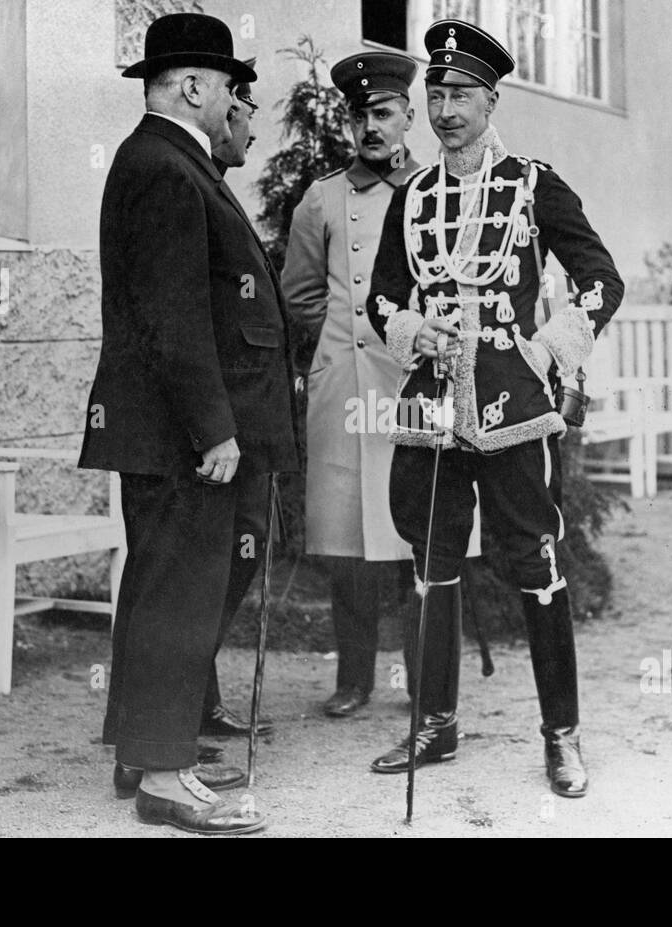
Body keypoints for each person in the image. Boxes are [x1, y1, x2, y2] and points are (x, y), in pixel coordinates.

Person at [365, 19, 624, 798]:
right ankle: (437, 723)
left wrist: (545, 352)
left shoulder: (533, 183)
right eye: (435, 94)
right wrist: (412, 327)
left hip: (512, 401)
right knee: (428, 558)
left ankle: (562, 736)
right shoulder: (410, 196)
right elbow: (380, 295)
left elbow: (600, 279)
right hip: (432, 403)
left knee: (534, 559)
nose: (445, 109)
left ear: (492, 99)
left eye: (461, 95)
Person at [78, 13, 297, 835]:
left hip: (165, 429)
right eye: (229, 86)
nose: (235, 100)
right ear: (194, 86)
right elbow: (173, 318)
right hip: (179, 434)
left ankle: (144, 748)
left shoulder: (166, 162)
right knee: (178, 592)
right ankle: (166, 777)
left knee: (162, 585)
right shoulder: (168, 169)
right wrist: (214, 429)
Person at [283, 51, 473, 718]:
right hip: (345, 387)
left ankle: (426, 685)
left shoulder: (434, 193)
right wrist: (344, 342)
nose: (371, 125)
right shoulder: (321, 197)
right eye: (359, 114)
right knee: (348, 544)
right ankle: (354, 678)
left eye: (384, 112)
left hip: (413, 388)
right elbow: (301, 294)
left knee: (417, 531)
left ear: (408, 117)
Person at [196, 61, 274, 744]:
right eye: (244, 111)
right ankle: (184, 697)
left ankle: (195, 692)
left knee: (235, 551)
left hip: (236, 412)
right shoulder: (189, 182)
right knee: (212, 561)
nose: (247, 129)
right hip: (216, 420)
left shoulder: (217, 188)